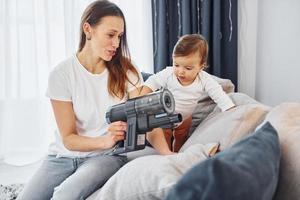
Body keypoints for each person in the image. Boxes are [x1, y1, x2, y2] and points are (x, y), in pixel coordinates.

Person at [17, 1, 172, 199]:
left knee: (65, 194)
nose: (116, 43)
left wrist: (167, 154)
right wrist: (104, 140)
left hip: (106, 157)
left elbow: (145, 118)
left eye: (119, 36)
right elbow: (69, 139)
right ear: (88, 29)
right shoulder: (62, 74)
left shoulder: (127, 70)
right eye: (110, 35)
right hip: (62, 157)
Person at [140, 34, 235, 152]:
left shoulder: (204, 79)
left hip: (185, 118)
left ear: (201, 66)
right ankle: (166, 155)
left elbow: (218, 94)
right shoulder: (169, 74)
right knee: (165, 139)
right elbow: (153, 81)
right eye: (176, 65)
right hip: (164, 116)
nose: (180, 72)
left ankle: (177, 154)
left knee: (181, 139)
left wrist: (230, 109)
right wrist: (141, 96)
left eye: (188, 68)